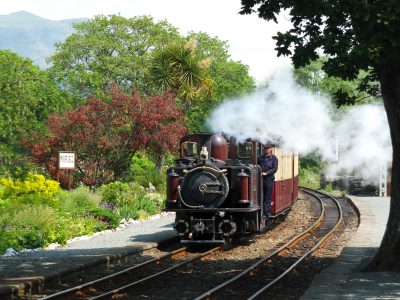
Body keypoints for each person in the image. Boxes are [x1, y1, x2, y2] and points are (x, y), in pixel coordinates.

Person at [257, 144, 278, 220]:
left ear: (270, 149)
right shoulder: (259, 158)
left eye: (267, 148)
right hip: (259, 179)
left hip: (269, 179)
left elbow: (275, 169)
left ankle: (266, 214)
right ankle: (260, 212)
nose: (265, 150)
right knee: (259, 196)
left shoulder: (274, 158)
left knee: (267, 197)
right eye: (265, 148)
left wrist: (266, 173)